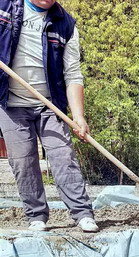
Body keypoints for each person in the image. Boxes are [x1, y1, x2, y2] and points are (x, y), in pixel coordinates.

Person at [0, 0, 99, 232]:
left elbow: (73, 74)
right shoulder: (4, 7)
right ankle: (36, 216)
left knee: (63, 156)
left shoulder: (65, 24)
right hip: (10, 104)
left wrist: (78, 116)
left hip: (50, 105)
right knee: (23, 161)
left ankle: (83, 213)